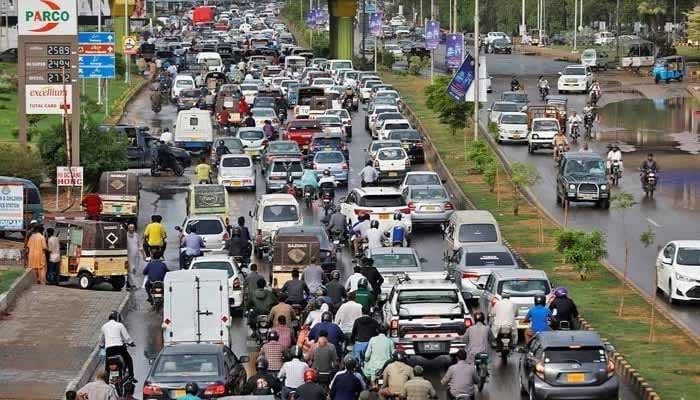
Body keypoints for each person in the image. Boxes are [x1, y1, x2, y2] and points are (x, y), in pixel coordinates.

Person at [101, 311, 135, 381]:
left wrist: (101, 345)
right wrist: (131, 342)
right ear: (117, 318)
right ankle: (131, 376)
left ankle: (106, 379)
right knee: (129, 359)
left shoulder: (104, 326)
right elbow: (126, 336)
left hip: (109, 349)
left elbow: (101, 339)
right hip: (119, 347)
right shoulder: (120, 325)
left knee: (107, 363)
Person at [125, 224, 144, 290]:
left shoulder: (136, 235)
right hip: (129, 256)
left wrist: (144, 256)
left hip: (136, 256)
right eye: (130, 227)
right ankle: (132, 284)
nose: (131, 229)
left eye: (133, 227)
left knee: (134, 270)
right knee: (130, 270)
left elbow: (140, 246)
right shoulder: (125, 236)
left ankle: (129, 283)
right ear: (128, 228)